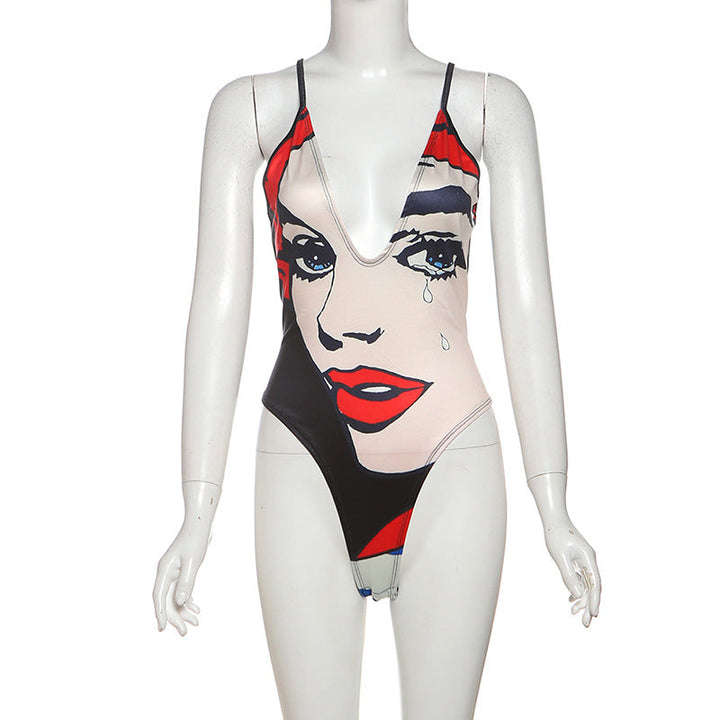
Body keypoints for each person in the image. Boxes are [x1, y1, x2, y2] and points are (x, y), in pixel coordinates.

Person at [154, 1, 601, 717]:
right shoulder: (254, 109)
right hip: (302, 457)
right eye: (311, 253)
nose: (352, 325)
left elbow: (528, 308)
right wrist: (195, 510)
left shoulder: (487, 106)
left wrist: (555, 503)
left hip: (453, 458)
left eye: (432, 251)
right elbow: (216, 308)